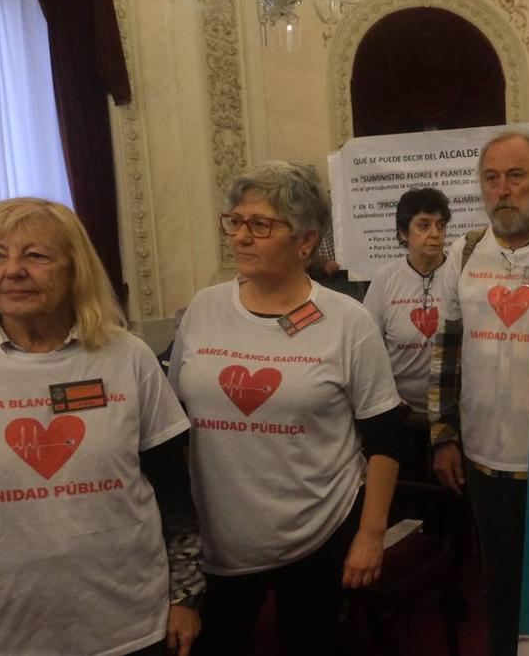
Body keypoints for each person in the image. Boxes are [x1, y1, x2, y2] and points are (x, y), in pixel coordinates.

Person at [168, 161, 407, 655]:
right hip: (218, 541)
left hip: (317, 535)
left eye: (260, 224)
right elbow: (175, 421)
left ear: (305, 241)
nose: (240, 237)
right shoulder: (203, 310)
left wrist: (370, 532)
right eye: (235, 221)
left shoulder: (348, 322)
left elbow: (386, 436)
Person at [0, 198, 202, 656]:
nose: (12, 270)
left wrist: (184, 595)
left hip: (129, 621)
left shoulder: (126, 356)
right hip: (3, 626)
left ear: (75, 269)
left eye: (35, 255)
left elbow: (174, 492)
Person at [427, 130, 529, 656]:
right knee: (501, 584)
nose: (502, 190)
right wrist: (442, 434)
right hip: (484, 460)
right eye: (491, 178)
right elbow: (446, 348)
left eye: (516, 176)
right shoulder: (466, 251)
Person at [363, 187, 451, 469]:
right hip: (399, 413)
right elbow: (367, 346)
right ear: (403, 233)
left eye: (440, 225)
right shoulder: (386, 278)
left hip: (451, 415)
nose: (435, 233)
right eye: (423, 225)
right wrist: (389, 396)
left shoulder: (460, 275)